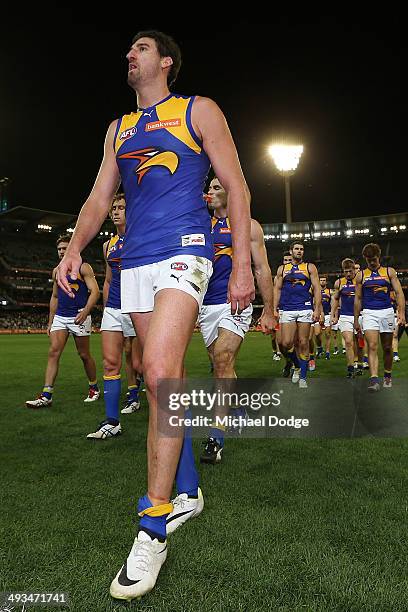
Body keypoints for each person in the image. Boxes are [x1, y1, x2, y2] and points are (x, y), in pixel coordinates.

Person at [56, 30, 254, 601]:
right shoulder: (119, 128)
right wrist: (73, 248)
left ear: (166, 61)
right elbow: (99, 199)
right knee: (152, 375)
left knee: (165, 374)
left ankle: (152, 525)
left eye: (141, 48)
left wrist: (239, 265)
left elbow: (236, 186)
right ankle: (188, 488)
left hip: (186, 250)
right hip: (136, 262)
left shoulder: (198, 110)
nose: (130, 54)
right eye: (129, 50)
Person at [198, 177, 275, 464]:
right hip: (205, 306)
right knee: (221, 367)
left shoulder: (249, 226)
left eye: (217, 187)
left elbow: (262, 268)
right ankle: (236, 407)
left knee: (222, 358)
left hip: (237, 302)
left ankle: (215, 437)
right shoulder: (200, 226)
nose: (211, 191)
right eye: (210, 188)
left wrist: (269, 310)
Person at [87, 193, 143, 440]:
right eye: (114, 208)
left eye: (121, 207)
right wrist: (108, 305)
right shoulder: (107, 245)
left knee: (142, 363)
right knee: (110, 362)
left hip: (140, 305)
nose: (117, 211)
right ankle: (112, 422)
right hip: (114, 308)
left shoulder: (143, 236)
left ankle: (143, 398)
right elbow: (108, 280)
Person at [26, 235, 100, 408]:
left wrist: (86, 312)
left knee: (84, 355)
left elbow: (95, 292)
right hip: (61, 316)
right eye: (59, 249)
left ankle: (93, 387)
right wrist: (51, 321)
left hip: (79, 315)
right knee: (53, 352)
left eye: (65, 248)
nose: (61, 252)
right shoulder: (56, 270)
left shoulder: (83, 267)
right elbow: (55, 296)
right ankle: (46, 395)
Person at [354, 243, 405, 391]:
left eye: (374, 259)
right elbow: (358, 299)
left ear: (379, 257)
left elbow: (399, 293)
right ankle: (374, 379)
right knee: (372, 346)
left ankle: (387, 375)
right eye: (369, 259)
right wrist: (356, 319)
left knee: (388, 347)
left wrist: (400, 313)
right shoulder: (361, 275)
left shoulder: (389, 272)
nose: (371, 262)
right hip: (369, 312)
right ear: (365, 258)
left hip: (387, 312)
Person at [274, 242, 322, 388]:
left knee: (303, 342)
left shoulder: (309, 267)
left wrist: (317, 308)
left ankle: (303, 377)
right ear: (291, 251)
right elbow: (277, 289)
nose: (299, 251)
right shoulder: (282, 269)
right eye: (296, 249)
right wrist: (274, 308)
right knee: (286, 343)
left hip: (305, 308)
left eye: (301, 249)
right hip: (287, 309)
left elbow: (317, 288)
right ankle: (297, 365)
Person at [330, 259, 364, 378]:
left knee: (360, 344)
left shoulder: (360, 281)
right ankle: (350, 368)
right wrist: (333, 315)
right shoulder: (339, 283)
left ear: (354, 269)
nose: (348, 274)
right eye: (346, 271)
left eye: (350, 271)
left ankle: (360, 364)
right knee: (349, 342)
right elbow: (335, 299)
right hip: (345, 316)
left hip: (360, 316)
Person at [315, 276, 332, 359]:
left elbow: (333, 303)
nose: (322, 282)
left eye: (324, 280)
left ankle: (327, 352)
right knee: (317, 333)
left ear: (326, 282)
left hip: (327, 314)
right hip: (318, 315)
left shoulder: (329, 291)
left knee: (328, 334)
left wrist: (333, 315)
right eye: (321, 280)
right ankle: (319, 348)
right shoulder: (315, 291)